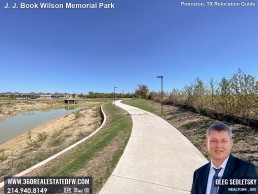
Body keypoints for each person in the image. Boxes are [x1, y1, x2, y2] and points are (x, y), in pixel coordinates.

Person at [191, 123, 258, 194]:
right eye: (214, 140)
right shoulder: (198, 173)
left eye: (224, 141)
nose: (219, 145)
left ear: (231, 143)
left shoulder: (246, 170)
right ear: (206, 143)